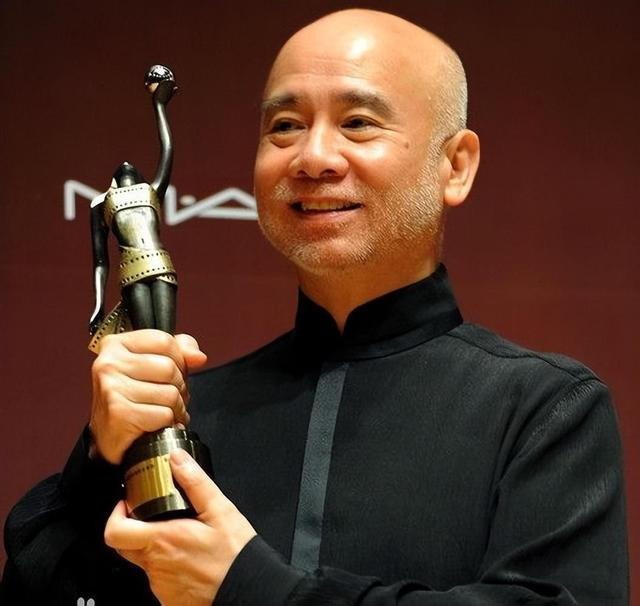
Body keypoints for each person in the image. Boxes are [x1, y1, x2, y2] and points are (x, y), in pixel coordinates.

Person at [2, 9, 628, 605]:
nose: (313, 158)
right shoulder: (189, 410)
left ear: (455, 165)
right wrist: (99, 456)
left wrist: (249, 589)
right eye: (285, 126)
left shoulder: (545, 410)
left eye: (358, 122)